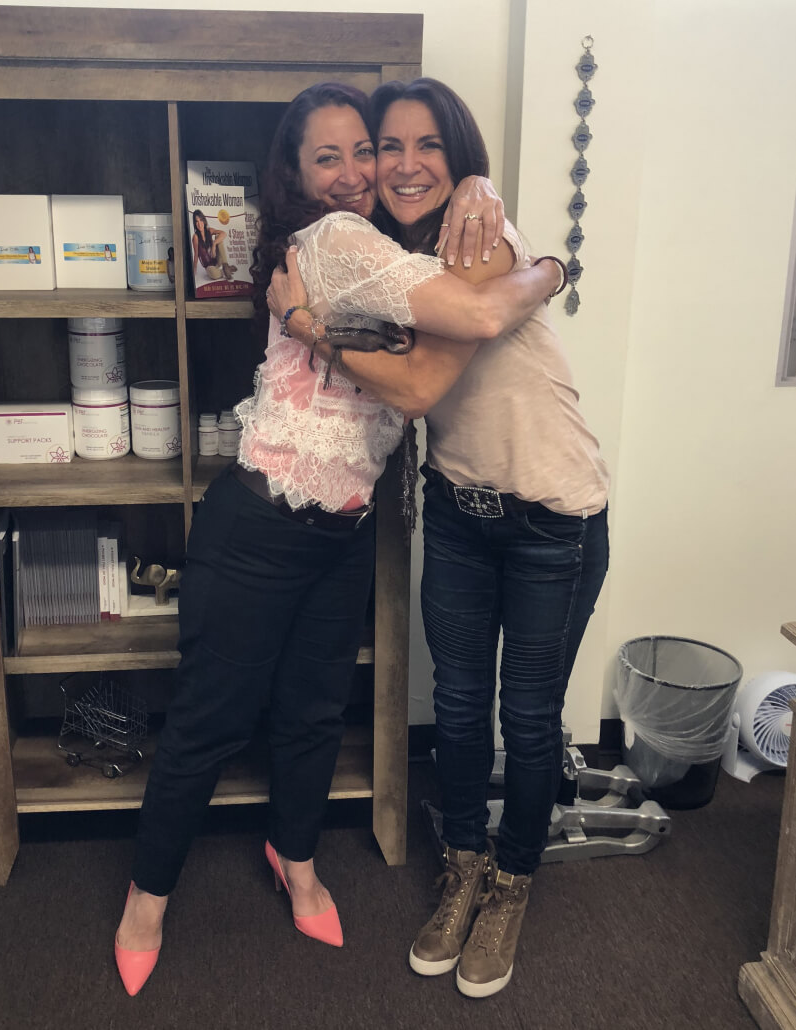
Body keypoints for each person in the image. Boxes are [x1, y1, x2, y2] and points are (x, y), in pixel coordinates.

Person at [113, 81, 560, 997]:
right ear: (296, 174)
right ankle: (145, 899)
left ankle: (297, 861)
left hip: (345, 532)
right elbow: (461, 332)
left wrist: (488, 196)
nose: (358, 172)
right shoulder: (334, 239)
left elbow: (440, 328)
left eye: (367, 150)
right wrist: (554, 268)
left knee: (315, 712)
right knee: (208, 721)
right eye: (331, 157)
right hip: (258, 527)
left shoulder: (405, 254)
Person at [269, 77, 609, 1000]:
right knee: (457, 711)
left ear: (459, 161)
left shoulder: (476, 237)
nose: (402, 164)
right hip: (459, 512)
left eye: (428, 146)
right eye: (388, 145)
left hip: (553, 519)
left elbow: (419, 385)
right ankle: (463, 866)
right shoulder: (391, 254)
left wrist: (303, 326)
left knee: (525, 719)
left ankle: (510, 882)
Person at [191, 208, 232, 281]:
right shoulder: (195, 237)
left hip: (217, 260)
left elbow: (224, 233)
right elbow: (196, 255)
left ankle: (225, 266)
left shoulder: (209, 230)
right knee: (213, 274)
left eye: (201, 220)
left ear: (204, 220)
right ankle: (225, 271)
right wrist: (194, 271)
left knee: (218, 237)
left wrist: (214, 244)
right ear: (195, 223)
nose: (199, 224)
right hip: (209, 266)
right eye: (197, 221)